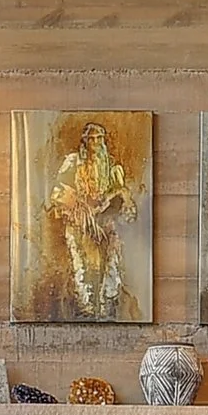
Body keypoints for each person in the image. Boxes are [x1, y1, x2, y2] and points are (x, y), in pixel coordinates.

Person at [44, 121, 139, 318]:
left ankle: (107, 309)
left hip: (104, 224)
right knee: (81, 267)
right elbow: (58, 189)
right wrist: (78, 206)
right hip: (79, 221)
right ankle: (86, 309)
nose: (95, 143)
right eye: (91, 139)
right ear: (85, 141)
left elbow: (122, 192)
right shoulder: (72, 162)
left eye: (99, 139)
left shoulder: (111, 166)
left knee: (111, 265)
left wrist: (111, 198)